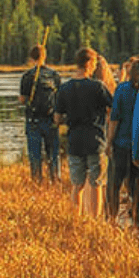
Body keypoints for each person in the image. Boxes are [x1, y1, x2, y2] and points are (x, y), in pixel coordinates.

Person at [54, 48, 114, 218]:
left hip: (74, 141)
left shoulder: (64, 88)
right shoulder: (97, 87)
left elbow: (57, 118)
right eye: (94, 63)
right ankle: (95, 219)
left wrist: (71, 119)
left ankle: (76, 218)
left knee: (77, 184)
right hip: (95, 141)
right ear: (89, 64)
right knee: (96, 183)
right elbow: (113, 108)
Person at [106, 55, 139, 226]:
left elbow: (114, 118)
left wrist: (109, 141)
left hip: (121, 143)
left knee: (114, 183)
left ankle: (112, 217)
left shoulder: (122, 89)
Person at [19, 45, 63, 183]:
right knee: (53, 154)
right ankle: (55, 179)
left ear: (31, 58)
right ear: (45, 56)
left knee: (35, 154)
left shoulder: (27, 76)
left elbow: (22, 99)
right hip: (51, 119)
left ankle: (37, 180)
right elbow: (60, 98)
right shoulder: (54, 75)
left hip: (33, 120)